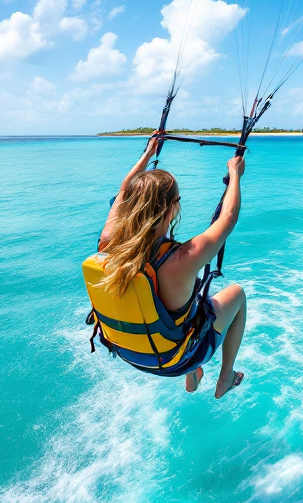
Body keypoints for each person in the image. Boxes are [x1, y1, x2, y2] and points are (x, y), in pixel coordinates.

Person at [96, 134, 247, 399]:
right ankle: (225, 377)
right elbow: (229, 217)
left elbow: (123, 190)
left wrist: (147, 153)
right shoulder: (181, 259)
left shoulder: (108, 243)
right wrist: (234, 174)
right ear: (171, 209)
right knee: (236, 295)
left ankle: (194, 372)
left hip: (131, 353)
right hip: (174, 360)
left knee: (186, 305)